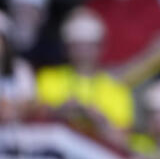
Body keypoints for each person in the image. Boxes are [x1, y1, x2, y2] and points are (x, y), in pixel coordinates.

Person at [36, 8, 134, 141]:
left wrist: (100, 121)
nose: (83, 52)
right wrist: (59, 111)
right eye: (77, 46)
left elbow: (123, 140)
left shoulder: (116, 88)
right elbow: (34, 122)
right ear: (67, 47)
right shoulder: (48, 78)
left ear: (100, 48)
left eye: (89, 46)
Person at [5, 0, 63, 68]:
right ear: (10, 10)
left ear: (43, 14)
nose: (25, 14)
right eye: (20, 8)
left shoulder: (54, 52)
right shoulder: (0, 46)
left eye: (32, 9)